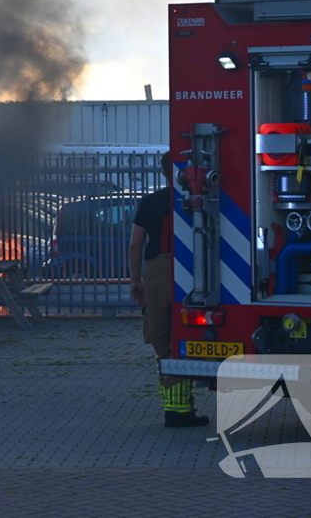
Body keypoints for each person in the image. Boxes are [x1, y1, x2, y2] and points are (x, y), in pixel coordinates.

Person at [128, 151, 209, 428]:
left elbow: (135, 245)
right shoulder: (202, 199)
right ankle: (181, 408)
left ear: (164, 172)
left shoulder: (150, 202)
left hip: (159, 271)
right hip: (199, 270)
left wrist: (135, 280)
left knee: (163, 339)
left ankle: (176, 408)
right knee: (186, 338)